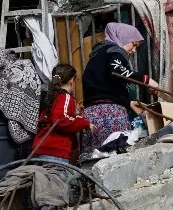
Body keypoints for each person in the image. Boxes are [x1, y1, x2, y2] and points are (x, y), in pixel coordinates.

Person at [80, 22, 157, 158]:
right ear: (123, 38)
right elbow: (117, 72)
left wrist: (128, 102)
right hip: (109, 116)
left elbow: (104, 87)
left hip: (91, 117)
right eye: (134, 45)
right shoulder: (115, 51)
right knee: (114, 157)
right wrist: (147, 80)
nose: (134, 51)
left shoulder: (97, 55)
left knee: (92, 160)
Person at [33, 64, 93, 164]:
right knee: (57, 179)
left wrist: (74, 113)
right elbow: (61, 120)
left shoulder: (51, 97)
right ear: (72, 81)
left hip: (40, 149)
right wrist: (84, 123)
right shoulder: (65, 96)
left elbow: (54, 117)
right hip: (55, 151)